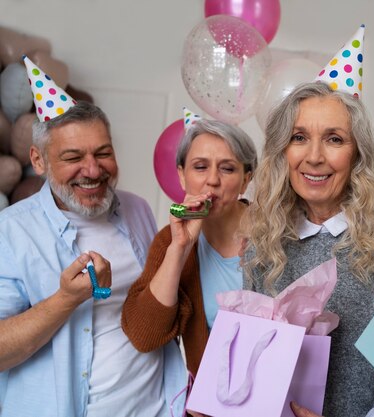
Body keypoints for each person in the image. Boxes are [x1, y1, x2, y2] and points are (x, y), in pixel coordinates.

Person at [0, 57, 186, 417]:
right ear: (39, 162)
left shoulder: (138, 210)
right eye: (73, 157)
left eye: (104, 153)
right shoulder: (11, 231)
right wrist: (65, 300)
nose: (93, 169)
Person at [242, 81, 374, 417]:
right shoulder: (263, 240)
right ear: (282, 151)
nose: (314, 157)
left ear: (357, 153)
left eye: (334, 139)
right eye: (299, 138)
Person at [121, 117, 256, 384]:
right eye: (200, 167)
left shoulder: (277, 231)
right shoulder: (169, 240)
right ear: (182, 176)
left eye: (228, 169)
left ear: (245, 180)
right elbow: (143, 336)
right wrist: (179, 249)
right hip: (211, 405)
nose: (212, 180)